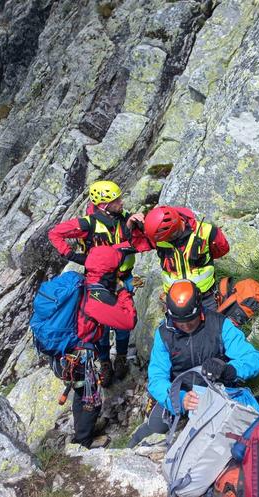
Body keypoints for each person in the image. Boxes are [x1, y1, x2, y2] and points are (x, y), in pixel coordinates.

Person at [127, 279, 259, 448]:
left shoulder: (219, 325)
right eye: (179, 322)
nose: (185, 326)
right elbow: (157, 379)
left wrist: (229, 370)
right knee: (155, 426)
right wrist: (179, 399)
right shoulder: (164, 334)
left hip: (216, 393)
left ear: (201, 311)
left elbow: (253, 359)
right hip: (181, 393)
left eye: (190, 321)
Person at [48, 180, 144, 385]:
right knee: (101, 327)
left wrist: (135, 225)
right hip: (100, 283)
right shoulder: (88, 223)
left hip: (123, 278)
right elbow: (55, 233)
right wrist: (75, 257)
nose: (121, 201)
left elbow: (133, 242)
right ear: (103, 205)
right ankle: (104, 362)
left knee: (122, 324)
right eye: (116, 199)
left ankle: (120, 357)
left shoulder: (125, 218)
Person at [51, 245, 137, 448]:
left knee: (80, 390)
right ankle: (85, 440)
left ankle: (81, 431)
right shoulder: (95, 297)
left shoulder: (81, 285)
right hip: (77, 357)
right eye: (115, 270)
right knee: (91, 397)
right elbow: (128, 321)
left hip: (62, 353)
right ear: (109, 272)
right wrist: (124, 292)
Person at [141, 205, 230, 309]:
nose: (167, 241)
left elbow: (222, 249)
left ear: (174, 229)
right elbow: (138, 244)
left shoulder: (207, 231)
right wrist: (131, 228)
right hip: (175, 298)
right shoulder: (158, 237)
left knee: (210, 323)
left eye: (169, 238)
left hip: (205, 297)